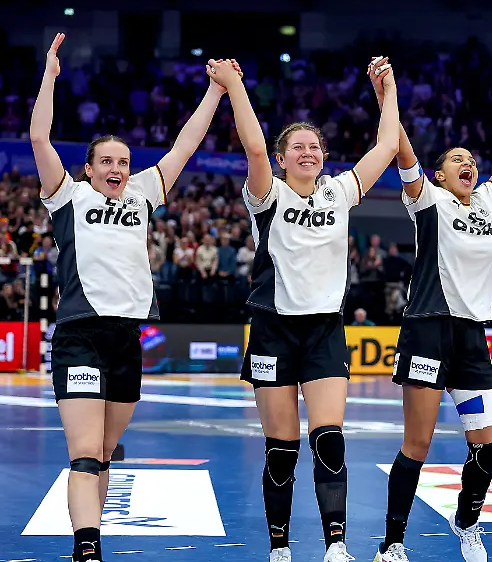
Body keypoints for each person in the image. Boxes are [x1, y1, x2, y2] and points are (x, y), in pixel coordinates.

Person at [31, 33, 225, 562]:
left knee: (107, 453)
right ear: (89, 168)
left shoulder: (142, 194)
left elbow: (184, 147)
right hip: (79, 336)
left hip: (126, 337)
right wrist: (49, 78)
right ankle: (86, 549)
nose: (117, 169)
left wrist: (215, 92)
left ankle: (93, 539)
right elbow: (40, 139)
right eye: (106, 161)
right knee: (86, 453)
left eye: (124, 160)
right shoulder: (68, 197)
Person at [211, 55, 399, 562]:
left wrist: (388, 90)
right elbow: (251, 144)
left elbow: (385, 146)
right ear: (281, 157)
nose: (308, 152)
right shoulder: (266, 194)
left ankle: (336, 544)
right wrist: (233, 86)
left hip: (323, 331)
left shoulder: (339, 193)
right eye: (298, 146)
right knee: (281, 448)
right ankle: (279, 546)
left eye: (315, 146)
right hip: (272, 330)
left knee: (330, 439)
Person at [373, 59, 492, 562]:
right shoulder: (429, 201)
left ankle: (467, 522)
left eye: (471, 159)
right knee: (416, 444)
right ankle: (393, 542)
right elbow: (401, 149)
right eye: (457, 159)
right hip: (426, 331)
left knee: (489, 447)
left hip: (471, 336)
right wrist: (387, 95)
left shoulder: (486, 201)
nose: (469, 164)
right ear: (439, 174)